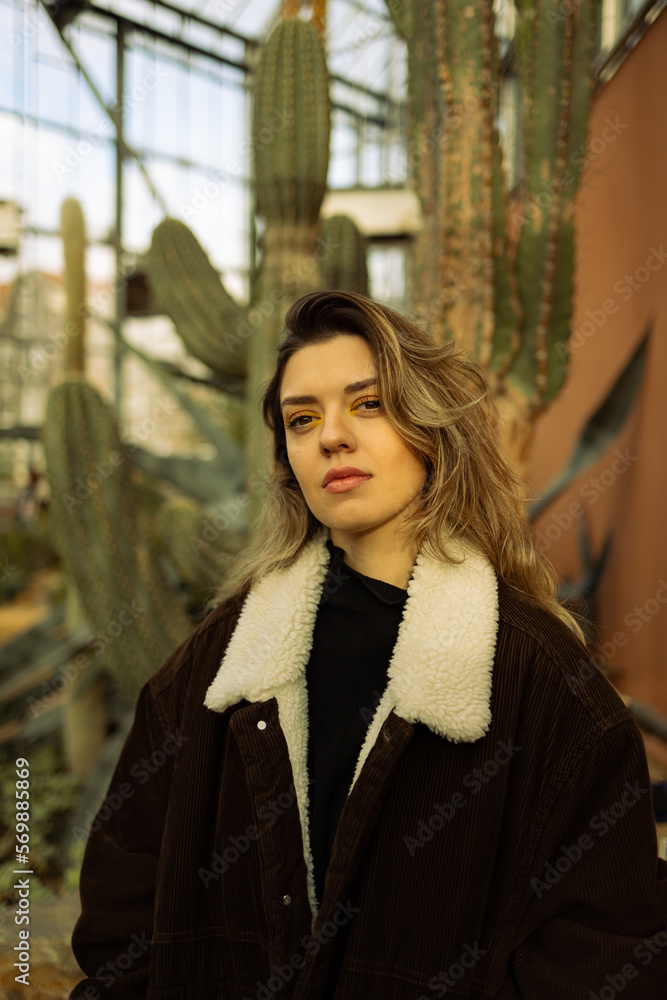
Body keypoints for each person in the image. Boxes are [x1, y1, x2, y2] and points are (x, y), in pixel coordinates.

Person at [69, 290, 667, 1000]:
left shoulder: (540, 679)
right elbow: (123, 907)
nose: (330, 436)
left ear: (430, 431)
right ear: (288, 460)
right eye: (302, 419)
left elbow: (602, 947)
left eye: (368, 403)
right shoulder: (217, 662)